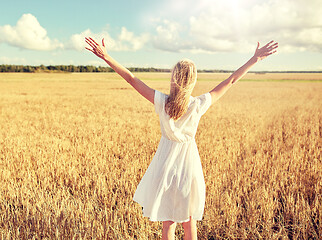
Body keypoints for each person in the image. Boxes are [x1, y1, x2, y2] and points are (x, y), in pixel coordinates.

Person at [85, 37, 278, 240]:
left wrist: (106, 56)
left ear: (173, 78)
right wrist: (254, 59)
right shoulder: (198, 104)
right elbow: (231, 81)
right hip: (188, 166)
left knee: (168, 223)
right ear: (193, 81)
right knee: (189, 223)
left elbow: (132, 79)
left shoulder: (162, 102)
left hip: (165, 164)